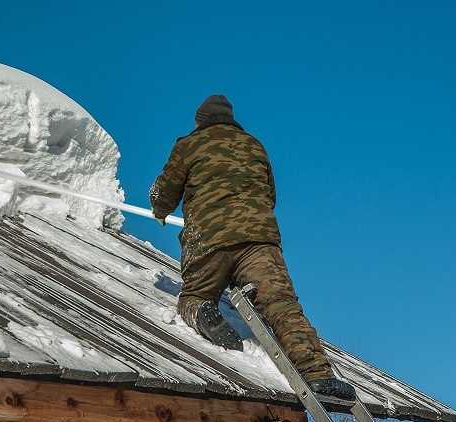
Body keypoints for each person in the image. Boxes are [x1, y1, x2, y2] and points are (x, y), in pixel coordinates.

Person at [149, 95, 355, 400]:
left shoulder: (189, 145)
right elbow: (269, 194)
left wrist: (160, 210)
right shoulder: (255, 145)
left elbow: (164, 193)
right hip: (259, 240)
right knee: (282, 304)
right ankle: (317, 374)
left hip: (208, 238)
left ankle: (202, 311)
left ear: (201, 121)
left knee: (195, 294)